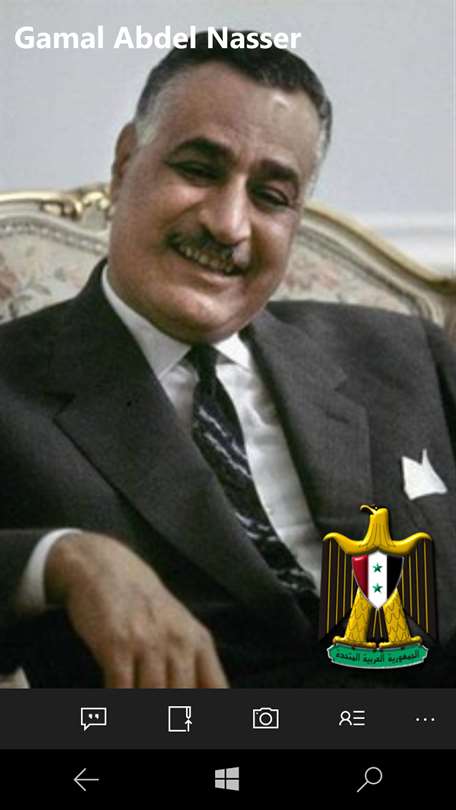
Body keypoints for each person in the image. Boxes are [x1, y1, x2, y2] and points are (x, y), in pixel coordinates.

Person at [0, 31, 455, 688]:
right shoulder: (12, 384)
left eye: (270, 196)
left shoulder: (404, 353)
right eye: (199, 170)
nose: (229, 224)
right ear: (125, 164)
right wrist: (62, 559)